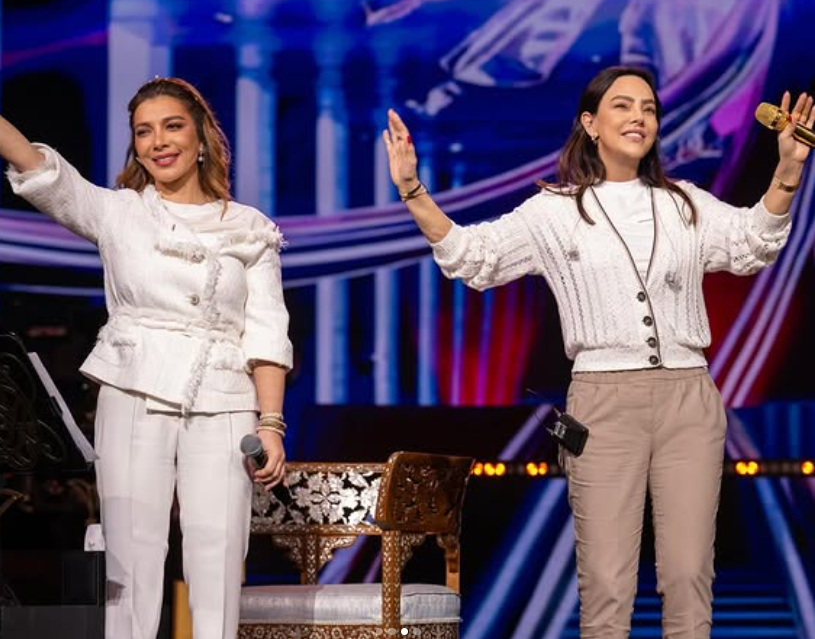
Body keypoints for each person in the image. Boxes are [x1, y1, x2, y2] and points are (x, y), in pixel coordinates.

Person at [383, 65, 813, 638]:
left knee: (688, 576)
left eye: (649, 109)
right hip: (603, 404)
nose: (639, 117)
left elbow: (751, 244)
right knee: (608, 583)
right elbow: (474, 257)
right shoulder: (555, 211)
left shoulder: (685, 203)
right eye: (623, 106)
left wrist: (788, 170)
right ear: (590, 123)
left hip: (689, 399)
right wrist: (413, 190)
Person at [1, 77, 293, 639]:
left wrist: (271, 423)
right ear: (134, 146)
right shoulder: (118, 212)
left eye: (172, 126)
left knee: (218, 553)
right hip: (133, 387)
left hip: (224, 398)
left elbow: (266, 332)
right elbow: (38, 167)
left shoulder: (249, 227)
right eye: (143, 131)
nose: (158, 141)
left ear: (201, 138)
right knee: (131, 559)